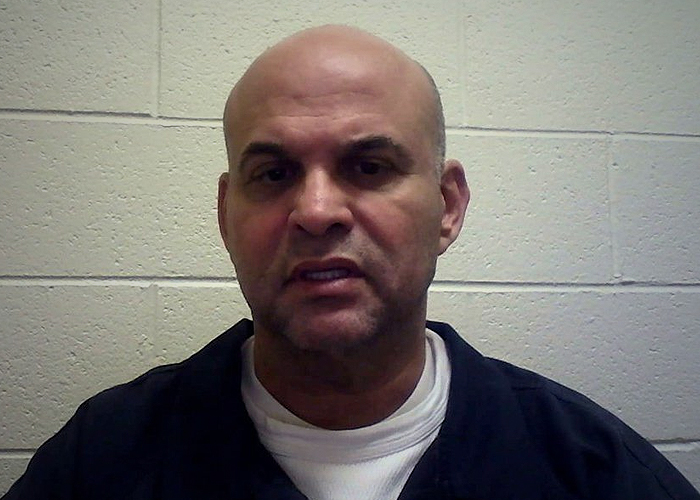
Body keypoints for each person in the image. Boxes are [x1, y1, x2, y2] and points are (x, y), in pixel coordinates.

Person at [3, 25, 698, 500]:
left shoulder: (593, 470)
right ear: (225, 216)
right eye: (273, 174)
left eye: (368, 167)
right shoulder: (98, 463)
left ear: (447, 206)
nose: (316, 211)